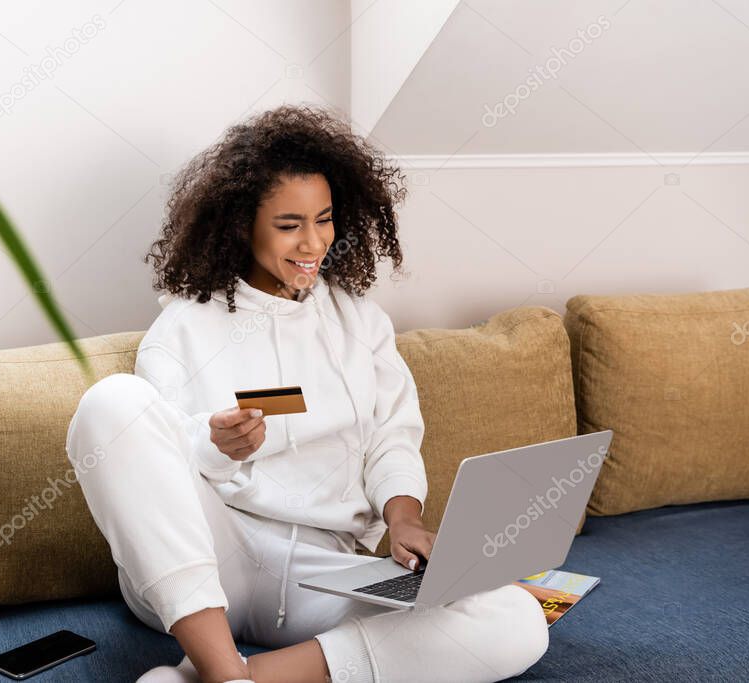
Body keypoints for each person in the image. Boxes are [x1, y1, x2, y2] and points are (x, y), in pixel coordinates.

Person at [65, 104, 549, 683]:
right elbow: (158, 467)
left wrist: (404, 519)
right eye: (289, 225)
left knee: (515, 617)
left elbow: (392, 438)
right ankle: (219, 666)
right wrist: (218, 445)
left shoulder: (362, 323)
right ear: (243, 225)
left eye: (324, 219)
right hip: (206, 565)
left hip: (324, 569)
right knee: (111, 403)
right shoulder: (184, 327)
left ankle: (228, 678)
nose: (314, 243)